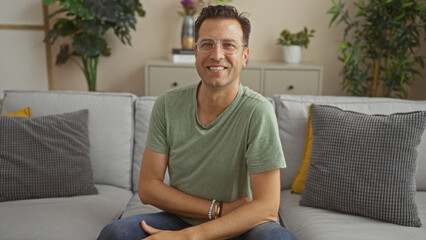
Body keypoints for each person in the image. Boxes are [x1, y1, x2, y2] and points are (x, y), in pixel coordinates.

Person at [97, 5, 296, 240]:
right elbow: (149, 187)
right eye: (207, 44)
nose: (217, 54)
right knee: (116, 233)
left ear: (244, 56)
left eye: (229, 45)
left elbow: (266, 207)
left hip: (241, 224)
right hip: (180, 220)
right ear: (196, 53)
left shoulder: (257, 111)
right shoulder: (168, 104)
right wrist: (216, 209)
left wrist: (190, 237)